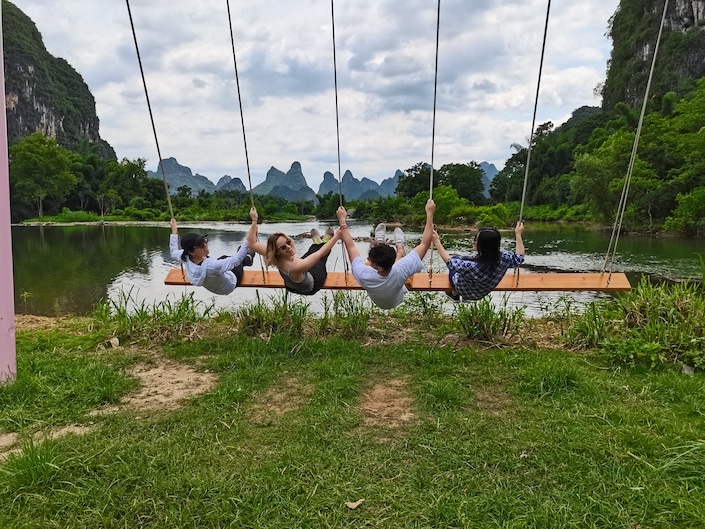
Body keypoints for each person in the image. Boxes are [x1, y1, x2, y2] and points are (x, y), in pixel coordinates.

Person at [335, 199, 436, 309]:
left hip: (381, 301)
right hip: (396, 297)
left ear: (379, 268)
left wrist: (342, 220)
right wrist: (430, 214)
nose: (368, 258)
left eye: (370, 260)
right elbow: (424, 244)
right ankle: (400, 246)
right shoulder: (400, 270)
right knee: (401, 256)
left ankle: (380, 242)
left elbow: (351, 246)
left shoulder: (363, 274)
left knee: (370, 263)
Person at [247, 207, 340, 295]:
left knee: (310, 253)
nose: (288, 247)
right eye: (283, 247)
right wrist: (336, 237)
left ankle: (316, 242)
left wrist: (254, 220)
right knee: (320, 260)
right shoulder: (295, 267)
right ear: (278, 251)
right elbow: (320, 254)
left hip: (291, 285)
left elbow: (252, 243)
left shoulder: (275, 254)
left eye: (288, 242)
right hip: (312, 285)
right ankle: (325, 240)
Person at [432, 221, 525, 302]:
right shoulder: (505, 258)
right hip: (483, 292)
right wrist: (518, 235)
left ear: (482, 245)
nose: (474, 241)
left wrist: (437, 242)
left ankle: (454, 293)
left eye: (476, 239)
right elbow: (519, 258)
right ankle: (459, 293)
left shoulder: (472, 267)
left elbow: (450, 263)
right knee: (465, 259)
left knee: (456, 260)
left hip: (464, 291)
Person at [169, 217, 257, 295]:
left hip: (215, 286)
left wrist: (174, 232)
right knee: (240, 261)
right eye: (201, 245)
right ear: (192, 252)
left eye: (205, 241)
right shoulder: (213, 266)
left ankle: (245, 256)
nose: (206, 245)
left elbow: (173, 252)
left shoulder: (185, 257)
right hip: (230, 284)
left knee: (224, 257)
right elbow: (236, 260)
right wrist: (251, 233)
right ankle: (248, 258)